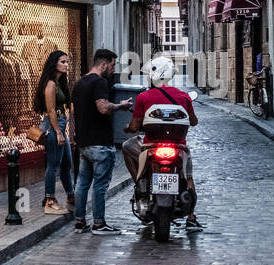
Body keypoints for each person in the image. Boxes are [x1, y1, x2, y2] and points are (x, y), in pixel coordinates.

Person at [123, 57, 203, 231]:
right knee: (188, 177)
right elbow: (194, 122)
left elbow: (135, 126)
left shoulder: (144, 97)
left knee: (127, 146)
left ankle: (140, 183)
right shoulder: (183, 96)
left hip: (151, 145)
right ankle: (191, 217)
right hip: (178, 146)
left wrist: (128, 128)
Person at [71, 49, 132, 234]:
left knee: (82, 183)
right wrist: (122, 105)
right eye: (112, 65)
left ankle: (80, 222)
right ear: (103, 64)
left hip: (84, 142)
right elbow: (103, 108)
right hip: (100, 142)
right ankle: (99, 223)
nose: (113, 69)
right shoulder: (100, 82)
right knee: (100, 185)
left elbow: (74, 113)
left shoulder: (79, 83)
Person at [33, 50, 74, 215]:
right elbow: (50, 111)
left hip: (60, 125)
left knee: (67, 163)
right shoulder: (50, 84)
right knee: (53, 165)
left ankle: (71, 196)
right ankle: (49, 200)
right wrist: (58, 132)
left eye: (67, 62)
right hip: (53, 127)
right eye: (63, 62)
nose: (66, 65)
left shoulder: (58, 82)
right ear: (54, 63)